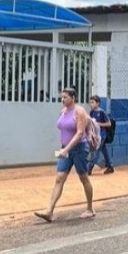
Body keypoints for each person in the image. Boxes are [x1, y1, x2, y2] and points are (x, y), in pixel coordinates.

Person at [35, 87, 95, 222]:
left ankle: (90, 209)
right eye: (62, 97)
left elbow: (80, 133)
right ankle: (49, 211)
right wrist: (65, 149)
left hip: (79, 149)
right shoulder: (63, 112)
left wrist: (67, 149)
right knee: (59, 178)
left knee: (83, 177)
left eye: (65, 97)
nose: (62, 100)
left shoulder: (79, 111)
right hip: (65, 149)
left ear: (73, 98)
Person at [88, 95, 114, 174]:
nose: (91, 104)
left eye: (93, 102)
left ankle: (89, 168)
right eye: (90, 102)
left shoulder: (102, 112)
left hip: (101, 135)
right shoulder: (91, 112)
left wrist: (98, 124)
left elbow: (109, 124)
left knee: (95, 151)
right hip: (95, 135)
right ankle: (110, 166)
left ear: (98, 103)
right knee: (104, 150)